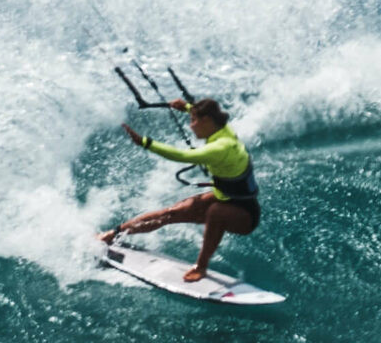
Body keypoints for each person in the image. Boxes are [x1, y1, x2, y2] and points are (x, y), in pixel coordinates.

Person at [98, 97, 260, 282]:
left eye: (194, 120)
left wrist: (145, 142)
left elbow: (183, 155)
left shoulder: (221, 147)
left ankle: (201, 267)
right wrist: (187, 107)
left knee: (215, 213)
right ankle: (112, 234)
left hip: (245, 215)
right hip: (223, 197)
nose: (191, 126)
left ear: (207, 120)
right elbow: (204, 118)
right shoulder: (222, 129)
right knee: (170, 213)